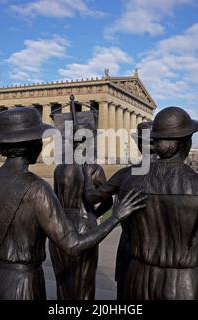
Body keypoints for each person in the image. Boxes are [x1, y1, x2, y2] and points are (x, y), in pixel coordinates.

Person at [0, 107, 146, 300]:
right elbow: (73, 245)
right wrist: (116, 217)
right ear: (33, 145)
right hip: (21, 285)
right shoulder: (37, 188)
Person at [119, 107, 198, 300]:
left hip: (137, 279)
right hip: (184, 284)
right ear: (186, 143)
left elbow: (127, 230)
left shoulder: (130, 182)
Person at [82, 121, 155, 299]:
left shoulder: (126, 174)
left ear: (139, 145)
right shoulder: (185, 179)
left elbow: (92, 197)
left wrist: (86, 175)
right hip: (160, 252)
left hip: (130, 246)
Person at [50, 120, 113, 300]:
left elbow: (55, 201)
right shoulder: (94, 169)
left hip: (61, 228)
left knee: (63, 284)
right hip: (85, 226)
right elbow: (108, 202)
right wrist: (93, 215)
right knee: (84, 285)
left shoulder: (59, 169)